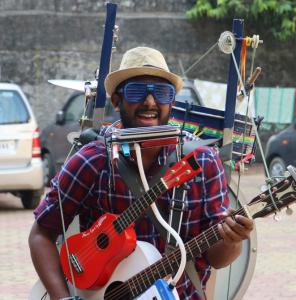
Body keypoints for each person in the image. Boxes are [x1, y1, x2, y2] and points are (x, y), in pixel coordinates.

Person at [28, 47, 254, 300]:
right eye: (137, 92)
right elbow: (41, 233)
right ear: (116, 100)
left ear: (172, 101)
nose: (150, 102)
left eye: (161, 93)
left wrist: (233, 240)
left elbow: (217, 258)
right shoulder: (92, 161)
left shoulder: (202, 160)